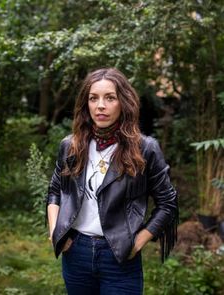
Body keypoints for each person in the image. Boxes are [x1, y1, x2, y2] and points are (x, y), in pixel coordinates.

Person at [46, 67, 178, 295]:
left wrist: (137, 242)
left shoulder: (145, 149)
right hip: (76, 252)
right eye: (93, 98)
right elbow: (55, 190)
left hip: (119, 257)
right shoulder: (71, 145)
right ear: (86, 104)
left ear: (123, 102)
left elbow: (168, 203)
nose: (100, 106)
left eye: (110, 98)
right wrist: (55, 231)